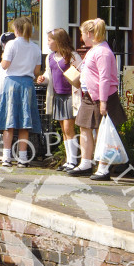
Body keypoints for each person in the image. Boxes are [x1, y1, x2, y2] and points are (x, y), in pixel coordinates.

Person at [69, 18, 128, 180]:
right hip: (90, 96)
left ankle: (103, 167)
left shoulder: (102, 52)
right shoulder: (94, 50)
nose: (81, 37)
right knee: (84, 127)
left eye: (82, 33)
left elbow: (104, 78)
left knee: (104, 131)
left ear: (89, 33)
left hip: (103, 97)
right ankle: (86, 163)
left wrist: (103, 101)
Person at [0, 17, 42, 167]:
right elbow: (37, 71)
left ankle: (6, 157)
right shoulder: (35, 47)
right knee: (24, 123)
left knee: (9, 121)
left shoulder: (11, 44)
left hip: (12, 82)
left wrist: (2, 60)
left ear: (17, 29)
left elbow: (5, 65)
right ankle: (22, 158)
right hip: (27, 84)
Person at [37, 28, 82, 171]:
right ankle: (69, 160)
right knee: (63, 129)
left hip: (70, 95)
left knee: (69, 128)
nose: (48, 43)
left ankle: (73, 161)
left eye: (50, 40)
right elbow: (49, 75)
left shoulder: (72, 55)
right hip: (57, 95)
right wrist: (43, 79)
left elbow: (81, 73)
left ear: (58, 41)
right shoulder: (50, 57)